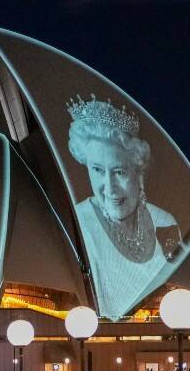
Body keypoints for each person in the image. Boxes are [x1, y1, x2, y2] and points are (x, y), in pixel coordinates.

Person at [67, 95, 182, 317]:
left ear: (138, 171)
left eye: (119, 172)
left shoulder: (165, 221)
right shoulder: (79, 224)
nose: (109, 188)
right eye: (98, 170)